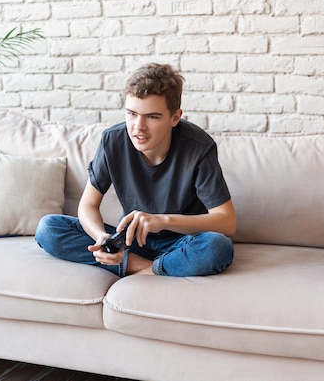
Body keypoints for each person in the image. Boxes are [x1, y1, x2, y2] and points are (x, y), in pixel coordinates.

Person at [35, 63, 237, 277]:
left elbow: (227, 221)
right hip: (130, 241)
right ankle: (149, 268)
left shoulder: (198, 147)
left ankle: (144, 268)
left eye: (152, 117)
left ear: (175, 117)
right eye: (131, 114)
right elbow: (88, 205)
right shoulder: (112, 141)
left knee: (217, 246)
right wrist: (101, 238)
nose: (137, 127)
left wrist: (161, 220)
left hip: (180, 242)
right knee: (49, 228)